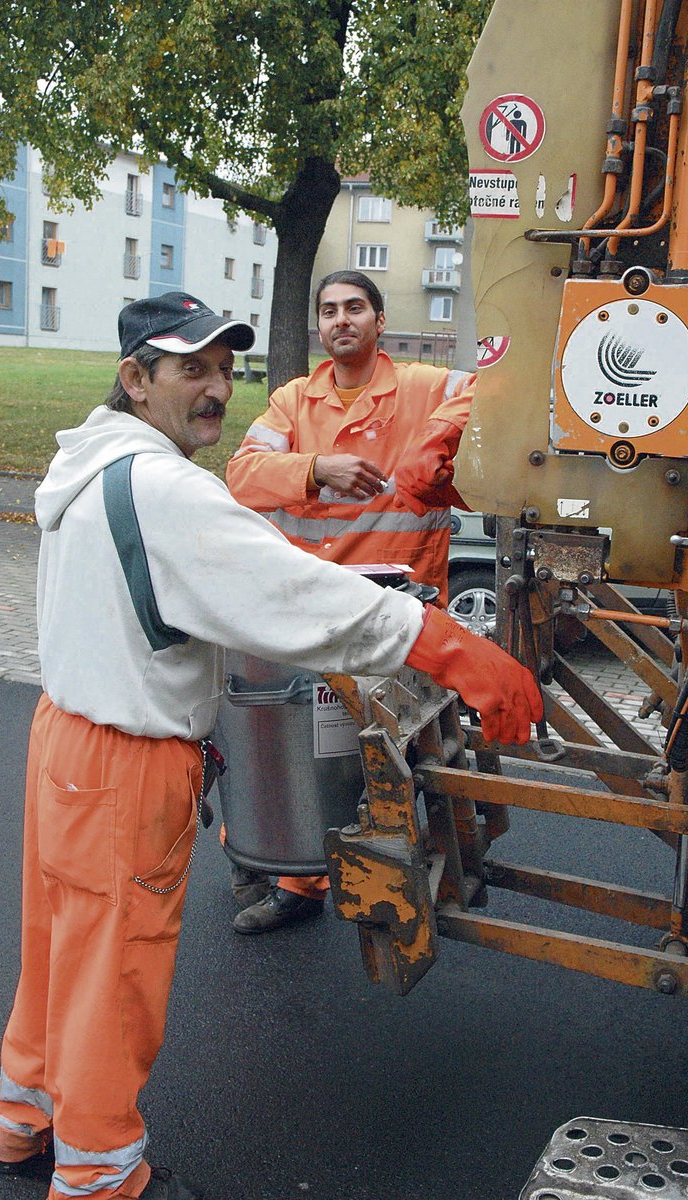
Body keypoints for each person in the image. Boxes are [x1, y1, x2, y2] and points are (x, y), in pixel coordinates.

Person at [0, 291, 542, 1200]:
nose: (215, 389)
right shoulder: (167, 489)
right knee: (116, 971)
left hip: (64, 742)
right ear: (136, 378)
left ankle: (22, 1118)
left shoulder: (87, 467)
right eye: (190, 369)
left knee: (58, 946)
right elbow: (291, 594)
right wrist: (449, 648)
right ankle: (97, 1173)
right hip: (128, 762)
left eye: (225, 369)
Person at [223, 270, 477, 934]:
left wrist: (435, 441)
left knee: (400, 759)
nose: (341, 319)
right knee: (320, 755)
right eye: (329, 310)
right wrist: (315, 468)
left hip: (400, 616)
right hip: (317, 614)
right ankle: (293, 876)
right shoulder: (293, 403)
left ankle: (413, 877)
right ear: (319, 325)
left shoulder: (423, 388)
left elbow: (486, 391)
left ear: (378, 320)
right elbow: (241, 476)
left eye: (354, 308)